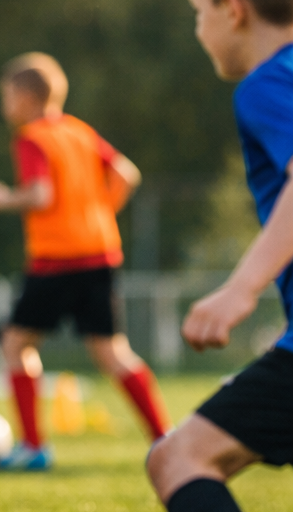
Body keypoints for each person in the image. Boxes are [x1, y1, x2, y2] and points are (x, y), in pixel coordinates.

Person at [0, 52, 171, 470]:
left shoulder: (32, 137)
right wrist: (99, 212)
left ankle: (33, 448)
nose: (4, 106)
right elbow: (126, 174)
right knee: (112, 351)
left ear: (27, 97)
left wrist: (1, 198)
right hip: (100, 251)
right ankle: (164, 438)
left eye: (6, 96)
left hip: (56, 260)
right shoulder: (79, 131)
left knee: (15, 344)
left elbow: (40, 195)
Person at [146, 1, 293, 510]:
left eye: (197, 12)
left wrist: (240, 288)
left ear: (234, 11)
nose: (197, 27)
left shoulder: (272, 82)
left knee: (179, 459)